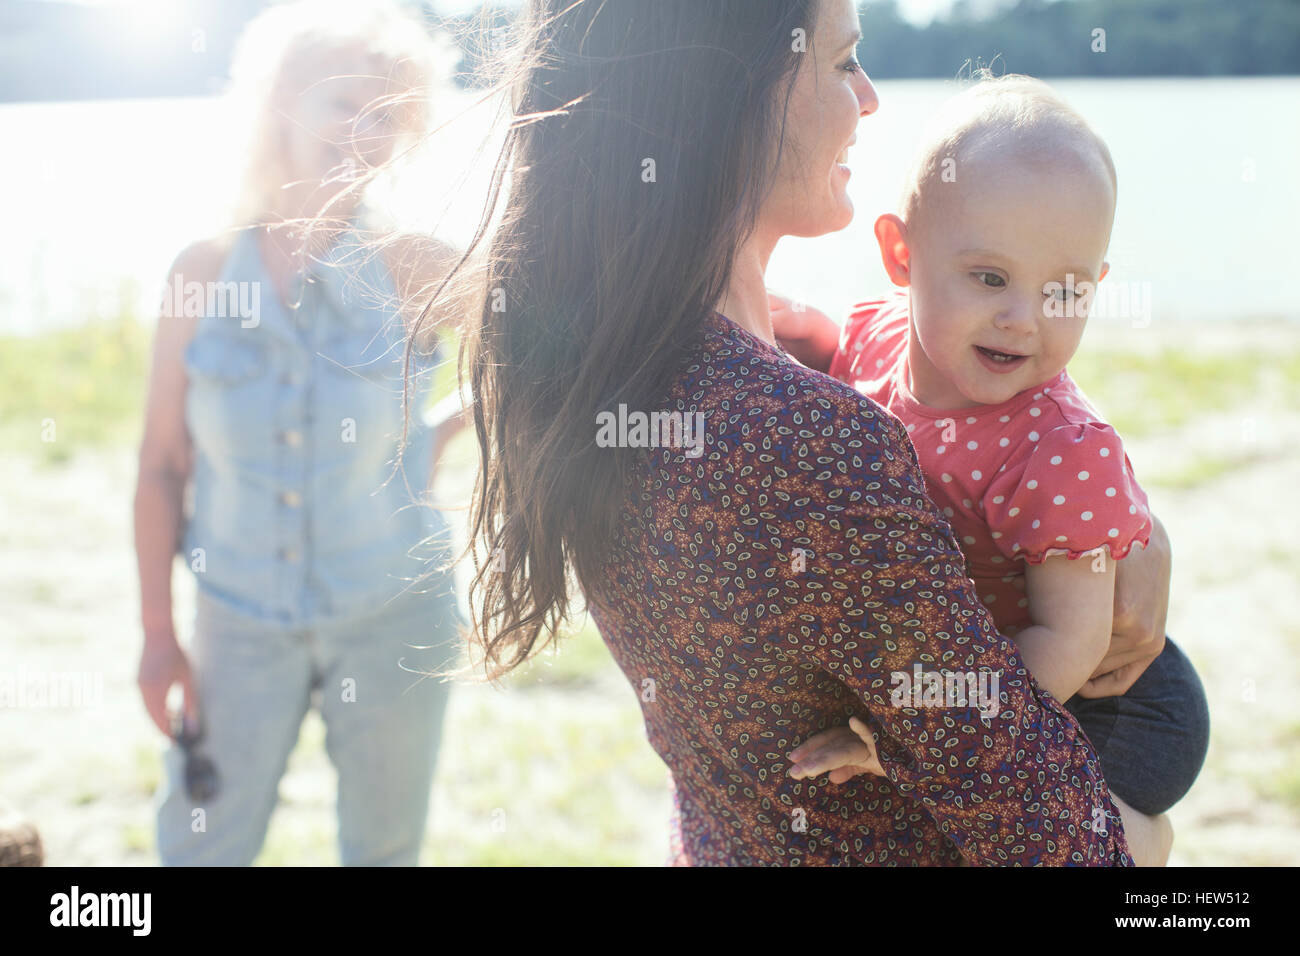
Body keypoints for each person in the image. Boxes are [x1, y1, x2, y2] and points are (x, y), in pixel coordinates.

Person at [431, 0, 1175, 864]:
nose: (869, 98)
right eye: (842, 61)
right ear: (732, 94)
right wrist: (1152, 845)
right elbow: (1064, 845)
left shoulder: (625, 359)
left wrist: (1130, 533)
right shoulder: (807, 443)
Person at [768, 75, 1209, 825]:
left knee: (1051, 834)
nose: (1022, 320)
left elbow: (1070, 640)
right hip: (1006, 669)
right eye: (990, 277)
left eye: (1063, 292)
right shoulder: (872, 336)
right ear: (901, 254)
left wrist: (919, 742)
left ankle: (1140, 844)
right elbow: (788, 337)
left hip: (1116, 709)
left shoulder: (1059, 449)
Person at [133, 0, 466, 866]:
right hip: (237, 618)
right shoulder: (200, 273)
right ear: (282, 101)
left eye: (385, 115)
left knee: (383, 854)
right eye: (341, 105)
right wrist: (159, 637)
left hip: (395, 612)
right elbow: (162, 466)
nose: (363, 132)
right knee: (196, 847)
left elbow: (550, 358)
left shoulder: (416, 264)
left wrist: (444, 428)